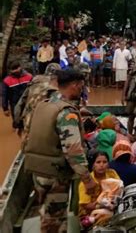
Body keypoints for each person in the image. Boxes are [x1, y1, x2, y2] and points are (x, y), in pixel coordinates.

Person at [23, 70, 97, 233]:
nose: (81, 91)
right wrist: (86, 178)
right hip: (54, 174)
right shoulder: (66, 113)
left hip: (38, 170)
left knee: (47, 212)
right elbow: (73, 150)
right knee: (54, 220)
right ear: (74, 85)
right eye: (81, 87)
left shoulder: (44, 104)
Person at [14, 63, 61, 136]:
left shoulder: (34, 82)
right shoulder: (57, 85)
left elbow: (20, 103)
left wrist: (17, 123)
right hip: (45, 122)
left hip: (29, 117)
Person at [78, 151, 120, 218]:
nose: (101, 165)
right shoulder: (86, 181)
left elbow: (119, 187)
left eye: (104, 162)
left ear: (108, 164)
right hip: (90, 214)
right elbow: (85, 205)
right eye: (98, 162)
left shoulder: (112, 174)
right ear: (93, 164)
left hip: (113, 207)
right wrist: (101, 205)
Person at [2, 60, 33, 128]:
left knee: (28, 120)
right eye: (13, 69)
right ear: (10, 70)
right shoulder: (7, 80)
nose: (16, 70)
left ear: (20, 67)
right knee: (17, 122)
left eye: (17, 68)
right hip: (14, 103)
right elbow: (4, 95)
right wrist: (5, 108)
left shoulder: (29, 77)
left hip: (27, 101)